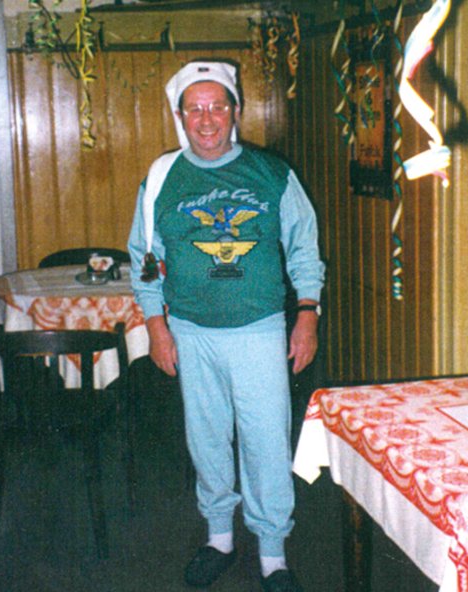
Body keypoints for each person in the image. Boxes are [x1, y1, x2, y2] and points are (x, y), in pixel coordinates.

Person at [128, 60, 324, 592]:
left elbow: (304, 248)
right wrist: (156, 327)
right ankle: (219, 538)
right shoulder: (162, 178)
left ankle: (273, 553)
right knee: (207, 439)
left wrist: (307, 315)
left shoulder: (271, 173)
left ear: (235, 111)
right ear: (180, 116)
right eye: (195, 108)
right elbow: (144, 259)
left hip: (259, 328)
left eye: (217, 106)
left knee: (266, 441)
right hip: (191, 331)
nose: (207, 119)